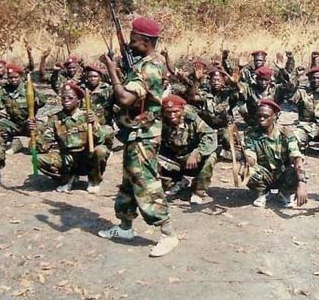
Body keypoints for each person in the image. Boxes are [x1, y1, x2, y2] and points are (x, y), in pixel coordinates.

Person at [97, 16, 178, 258]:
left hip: (143, 135)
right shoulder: (148, 62)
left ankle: (168, 233)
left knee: (146, 182)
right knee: (129, 182)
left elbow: (124, 98)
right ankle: (125, 226)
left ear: (145, 41)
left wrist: (111, 71)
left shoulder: (149, 67)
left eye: (134, 40)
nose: (130, 44)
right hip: (136, 132)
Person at [30, 82, 109, 194]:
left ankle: (94, 180)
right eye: (63, 97)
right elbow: (44, 146)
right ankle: (66, 179)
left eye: (70, 98)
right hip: (66, 158)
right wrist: (35, 132)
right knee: (37, 159)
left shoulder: (87, 116)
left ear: (78, 100)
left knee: (101, 150)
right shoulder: (55, 118)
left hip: (86, 157)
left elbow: (101, 139)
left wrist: (94, 125)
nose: (66, 100)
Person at [244, 99, 308, 209]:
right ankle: (263, 193)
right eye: (259, 116)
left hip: (283, 174)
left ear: (275, 116)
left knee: (296, 171)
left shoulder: (285, 133)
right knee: (247, 169)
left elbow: (296, 157)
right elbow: (251, 159)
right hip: (264, 174)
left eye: (266, 116)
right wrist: (243, 156)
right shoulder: (251, 134)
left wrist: (302, 184)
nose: (261, 119)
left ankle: (284, 193)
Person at [159, 94, 218, 205]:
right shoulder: (161, 122)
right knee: (150, 156)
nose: (172, 115)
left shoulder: (192, 120)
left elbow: (210, 135)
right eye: (168, 112)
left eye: (175, 111)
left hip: (192, 160)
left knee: (211, 157)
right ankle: (176, 183)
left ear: (182, 110)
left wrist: (197, 153)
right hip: (173, 160)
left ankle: (198, 191)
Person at [0, 63, 46, 150]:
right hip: (12, 124)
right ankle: (11, 143)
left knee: (40, 126)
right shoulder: (4, 90)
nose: (13, 80)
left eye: (16, 77)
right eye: (10, 78)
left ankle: (35, 144)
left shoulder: (27, 88)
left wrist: (35, 91)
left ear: (20, 76)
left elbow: (43, 102)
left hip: (28, 123)